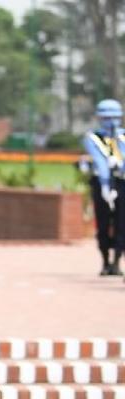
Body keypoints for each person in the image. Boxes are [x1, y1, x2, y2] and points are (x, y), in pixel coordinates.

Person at [83, 98, 125, 276]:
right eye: (107, 118)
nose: (111, 122)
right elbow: (100, 162)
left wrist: (120, 163)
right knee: (103, 222)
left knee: (122, 222)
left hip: (121, 183)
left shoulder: (122, 137)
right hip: (101, 183)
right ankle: (105, 260)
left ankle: (117, 262)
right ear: (100, 118)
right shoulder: (93, 137)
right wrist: (106, 186)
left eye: (114, 117)